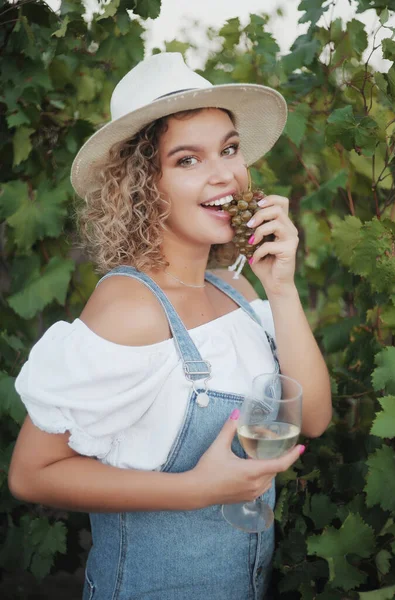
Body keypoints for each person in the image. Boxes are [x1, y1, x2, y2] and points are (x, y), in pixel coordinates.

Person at [9, 53, 332, 600]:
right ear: (142, 185)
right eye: (188, 159)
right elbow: (31, 474)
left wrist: (282, 288)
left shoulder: (238, 289)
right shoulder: (129, 307)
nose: (225, 172)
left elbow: (314, 419)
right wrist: (193, 490)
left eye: (230, 149)